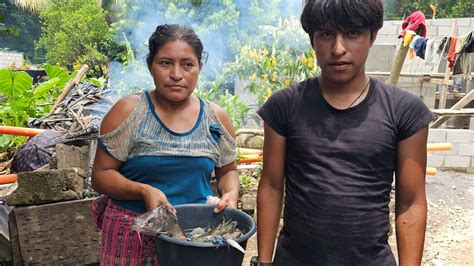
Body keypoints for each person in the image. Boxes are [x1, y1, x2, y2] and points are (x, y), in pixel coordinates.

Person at [255, 1, 434, 265]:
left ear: (372, 35)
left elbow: (410, 202)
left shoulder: (404, 111)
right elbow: (271, 186)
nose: (338, 49)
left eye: (352, 33)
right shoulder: (285, 105)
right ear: (312, 39)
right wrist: (264, 261)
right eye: (326, 34)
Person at [91, 24, 239, 265]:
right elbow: (100, 175)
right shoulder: (129, 112)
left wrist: (230, 193)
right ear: (150, 65)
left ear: (200, 66)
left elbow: (228, 170)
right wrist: (144, 190)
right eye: (165, 63)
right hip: (132, 235)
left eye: (187, 64)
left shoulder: (215, 118)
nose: (176, 74)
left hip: (193, 235)